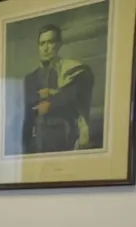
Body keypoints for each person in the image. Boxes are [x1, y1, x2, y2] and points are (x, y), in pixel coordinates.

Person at [22, 23, 95, 154]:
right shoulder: (30, 78)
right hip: (38, 142)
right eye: (42, 43)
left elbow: (71, 96)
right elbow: (28, 113)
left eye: (50, 42)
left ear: (59, 44)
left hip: (67, 138)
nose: (46, 48)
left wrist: (49, 103)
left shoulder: (73, 72)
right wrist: (25, 148)